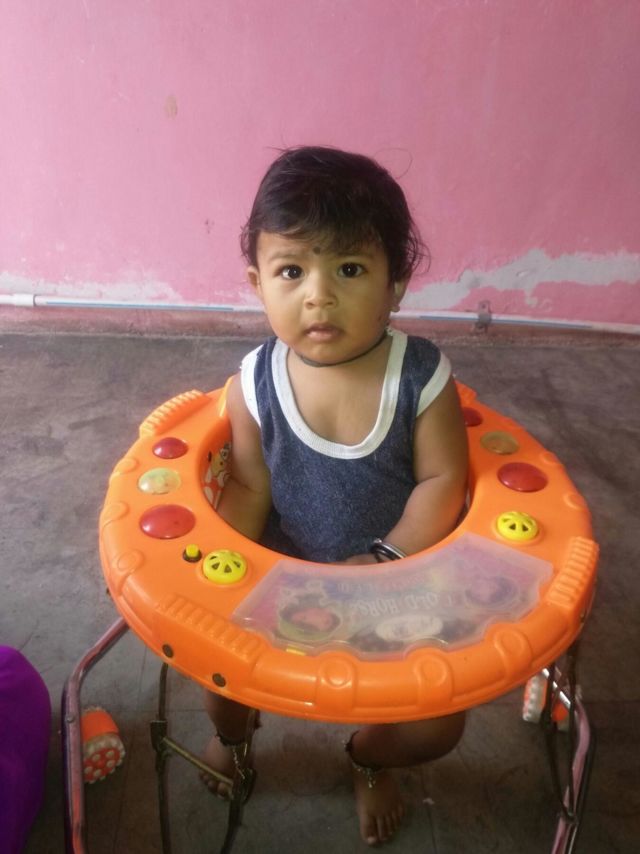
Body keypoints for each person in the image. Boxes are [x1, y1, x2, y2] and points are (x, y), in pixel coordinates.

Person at [203, 146, 469, 846]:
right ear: (257, 282)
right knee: (217, 676)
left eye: (349, 269)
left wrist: (385, 560)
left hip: (397, 580)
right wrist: (217, 569)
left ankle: (370, 757)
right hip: (285, 573)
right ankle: (234, 741)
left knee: (439, 724)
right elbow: (249, 485)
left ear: (396, 284)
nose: (318, 295)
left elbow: (444, 481)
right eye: (292, 271)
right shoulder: (254, 383)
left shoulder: (420, 377)